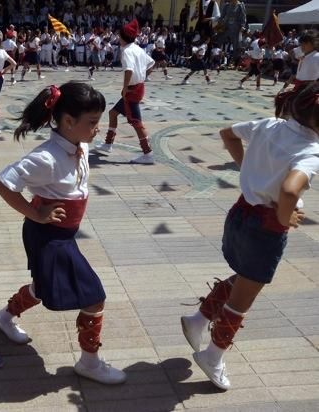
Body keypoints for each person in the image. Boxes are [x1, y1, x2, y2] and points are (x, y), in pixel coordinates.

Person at [181, 82, 319, 391]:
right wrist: (286, 216)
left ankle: (198, 320)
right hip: (266, 227)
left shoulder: (269, 124)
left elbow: (227, 133)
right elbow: (288, 190)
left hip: (241, 214)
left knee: (246, 278)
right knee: (245, 296)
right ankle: (213, 355)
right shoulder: (312, 151)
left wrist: (248, 170)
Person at [0, 81, 127, 385]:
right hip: (49, 237)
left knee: (43, 286)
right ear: (68, 121)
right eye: (92, 122)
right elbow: (3, 183)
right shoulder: (46, 157)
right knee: (94, 297)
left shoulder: (80, 146)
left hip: (63, 236)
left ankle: (4, 316)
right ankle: (89, 362)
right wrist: (34, 212)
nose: (97, 128)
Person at [94, 19, 156, 165]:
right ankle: (108, 144)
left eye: (119, 36)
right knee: (113, 113)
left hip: (132, 90)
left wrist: (125, 87)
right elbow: (151, 63)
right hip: (138, 87)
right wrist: (143, 77)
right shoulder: (138, 49)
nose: (118, 38)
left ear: (123, 38)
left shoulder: (127, 51)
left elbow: (129, 70)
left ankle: (148, 154)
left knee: (136, 122)